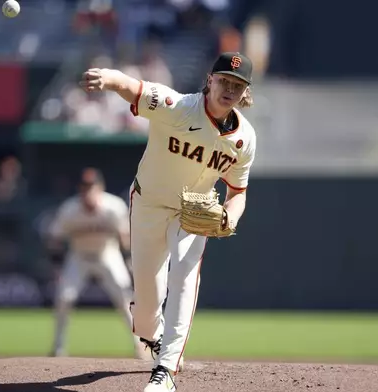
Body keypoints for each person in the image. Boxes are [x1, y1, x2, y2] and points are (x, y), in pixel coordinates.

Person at [80, 52, 257, 392]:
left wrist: (229, 217)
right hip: (148, 203)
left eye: (237, 85)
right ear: (210, 80)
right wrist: (108, 78)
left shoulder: (244, 139)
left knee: (185, 279)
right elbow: (133, 88)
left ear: (245, 93)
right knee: (146, 305)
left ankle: (166, 370)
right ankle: (152, 334)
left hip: (192, 212)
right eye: (224, 80)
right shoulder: (178, 106)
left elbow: (239, 191)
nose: (229, 89)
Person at [46, 167, 145, 359]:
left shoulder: (114, 207)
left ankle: (139, 346)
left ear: (100, 187)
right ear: (79, 189)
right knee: (64, 299)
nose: (88, 191)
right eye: (84, 187)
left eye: (92, 186)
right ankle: (58, 347)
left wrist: (129, 260)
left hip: (108, 255)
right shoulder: (70, 210)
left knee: (125, 300)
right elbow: (54, 239)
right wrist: (57, 266)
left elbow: (125, 238)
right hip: (79, 257)